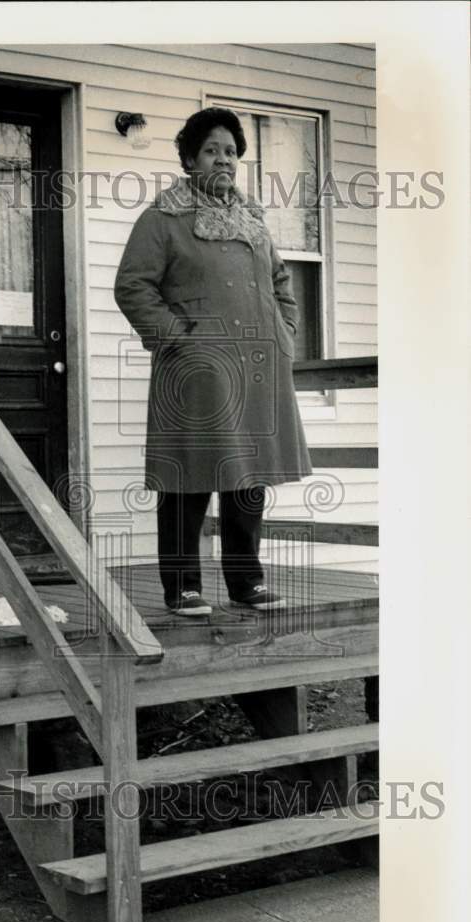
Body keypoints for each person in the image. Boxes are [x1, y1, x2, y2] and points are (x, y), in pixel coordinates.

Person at [114, 107, 313, 616]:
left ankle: (247, 582)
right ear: (188, 159)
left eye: (230, 152)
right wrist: (180, 340)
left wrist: (283, 336)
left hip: (257, 367)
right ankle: (182, 587)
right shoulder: (163, 218)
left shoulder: (253, 221)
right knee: (190, 473)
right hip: (195, 369)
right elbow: (133, 286)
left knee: (248, 476)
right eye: (211, 151)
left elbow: (281, 287)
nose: (223, 160)